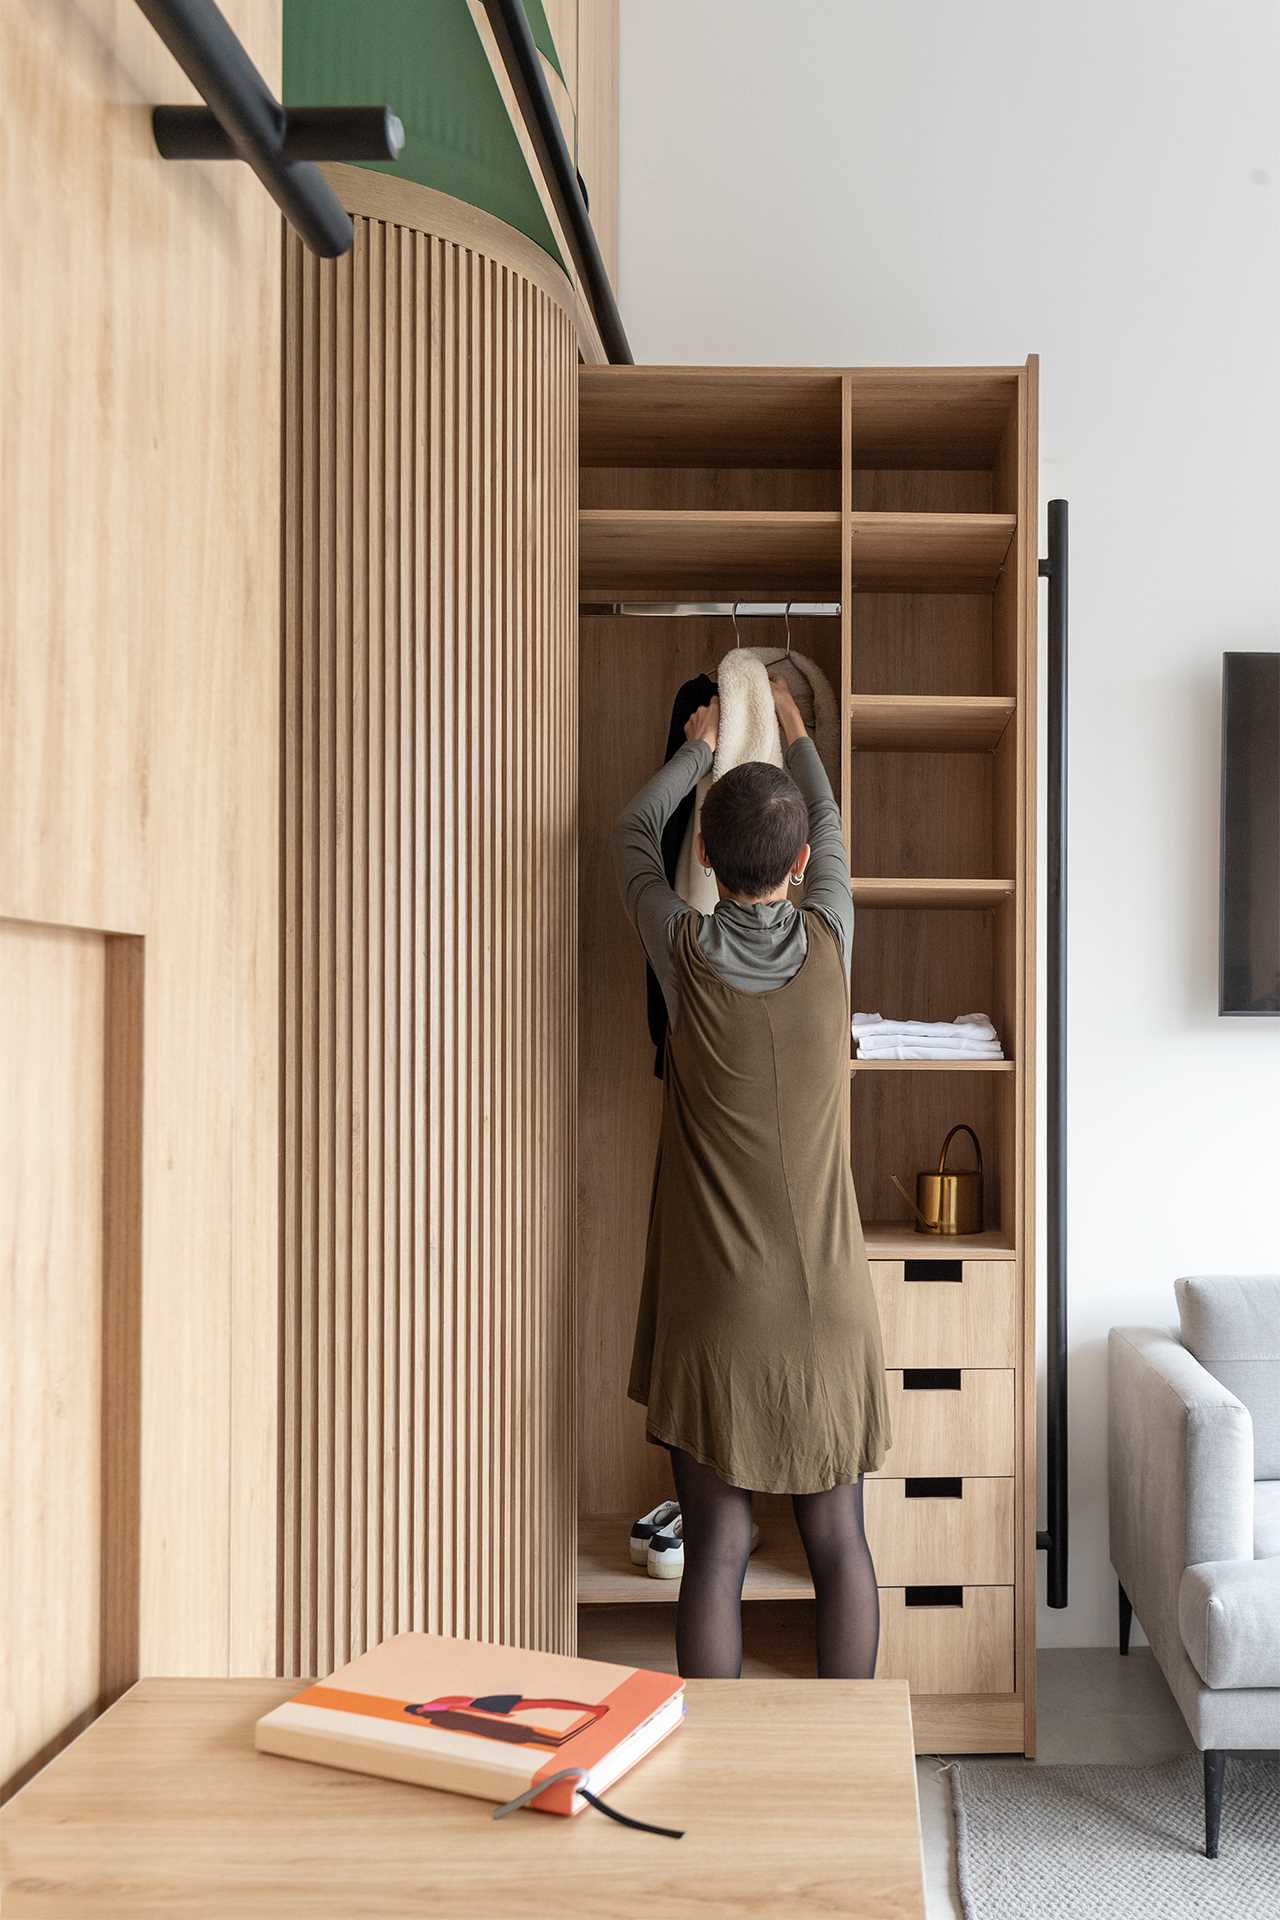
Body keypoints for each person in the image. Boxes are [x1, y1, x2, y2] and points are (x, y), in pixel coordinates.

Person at [612, 677, 891, 1680]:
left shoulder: (682, 954)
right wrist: (800, 730)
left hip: (719, 1316)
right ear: (806, 866)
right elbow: (824, 818)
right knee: (839, 1548)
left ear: (703, 855)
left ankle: (720, 1786)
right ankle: (850, 1777)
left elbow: (630, 835)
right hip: (831, 1312)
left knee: (717, 1553)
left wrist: (697, 747)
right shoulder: (831, 939)